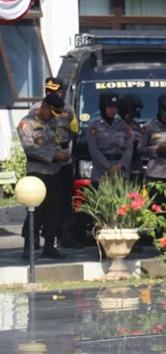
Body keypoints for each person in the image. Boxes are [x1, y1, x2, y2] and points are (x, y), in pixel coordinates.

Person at [29, 77, 82, 249]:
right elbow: (32, 141)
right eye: (47, 90)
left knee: (62, 200)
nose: (50, 93)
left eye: (54, 90)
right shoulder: (37, 109)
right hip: (43, 160)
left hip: (62, 158)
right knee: (37, 202)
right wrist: (53, 154)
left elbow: (74, 131)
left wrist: (64, 151)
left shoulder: (68, 110)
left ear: (61, 91)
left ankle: (62, 236)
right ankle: (32, 238)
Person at [17, 93, 70, 259]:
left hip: (54, 171)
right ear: (44, 107)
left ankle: (49, 245)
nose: (53, 117)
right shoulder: (28, 123)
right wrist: (53, 155)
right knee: (36, 210)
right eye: (51, 112)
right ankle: (29, 246)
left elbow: (57, 142)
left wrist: (61, 154)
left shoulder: (53, 123)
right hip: (37, 172)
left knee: (53, 210)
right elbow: (30, 148)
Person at [86, 92, 132, 185]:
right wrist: (109, 168)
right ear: (103, 107)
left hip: (121, 172)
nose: (113, 110)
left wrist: (120, 165)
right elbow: (94, 151)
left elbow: (129, 148)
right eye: (110, 107)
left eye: (115, 107)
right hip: (101, 173)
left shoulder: (123, 125)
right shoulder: (94, 127)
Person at [117, 93, 145, 184]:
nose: (131, 117)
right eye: (130, 114)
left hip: (135, 167)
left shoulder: (134, 124)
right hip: (119, 166)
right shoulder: (114, 124)